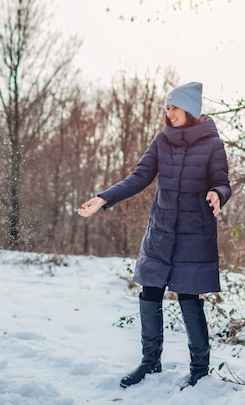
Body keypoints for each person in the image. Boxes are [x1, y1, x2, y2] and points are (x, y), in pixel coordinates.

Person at [78, 81, 230, 389]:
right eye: (167, 108)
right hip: (161, 231)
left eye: (174, 107)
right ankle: (150, 362)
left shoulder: (212, 143)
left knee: (188, 296)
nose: (169, 113)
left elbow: (222, 181)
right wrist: (104, 198)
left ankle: (200, 369)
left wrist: (217, 194)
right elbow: (140, 177)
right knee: (150, 291)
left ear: (190, 109)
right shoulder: (162, 140)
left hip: (194, 232)